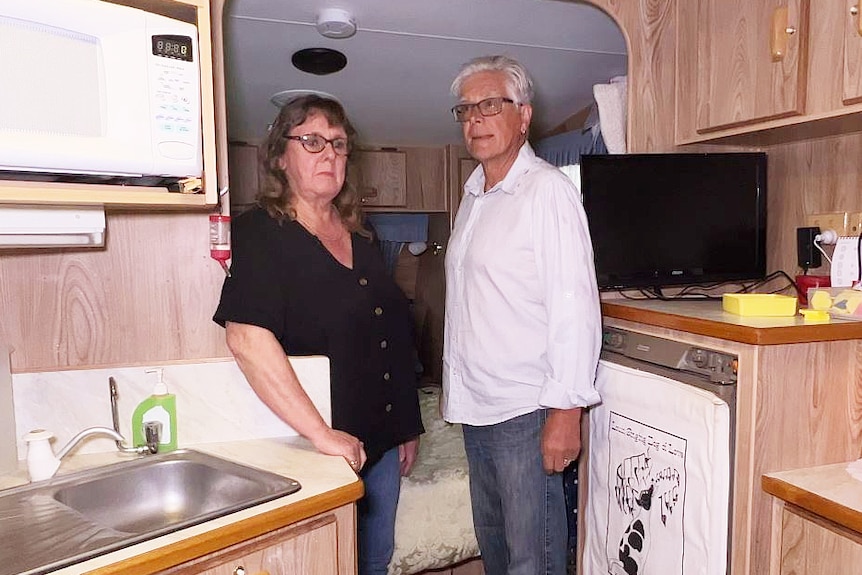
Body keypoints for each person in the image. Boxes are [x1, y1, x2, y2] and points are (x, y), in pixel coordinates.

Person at [213, 94, 424, 575]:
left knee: (374, 560)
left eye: (338, 143)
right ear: (280, 156)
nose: (329, 153)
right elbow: (246, 339)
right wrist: (322, 435)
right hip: (316, 445)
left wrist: (407, 424)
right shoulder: (260, 233)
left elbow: (389, 333)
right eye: (311, 141)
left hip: (382, 443)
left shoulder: (363, 232)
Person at [442, 55, 602, 574]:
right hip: (475, 409)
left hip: (525, 412)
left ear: (524, 116)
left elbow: (574, 308)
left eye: (491, 105)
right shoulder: (473, 196)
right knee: (498, 553)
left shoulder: (546, 191)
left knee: (535, 559)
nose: (475, 120)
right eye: (466, 110)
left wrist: (566, 413)